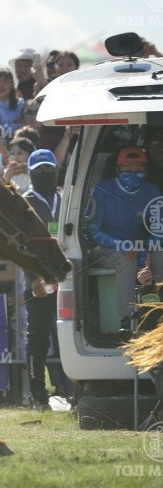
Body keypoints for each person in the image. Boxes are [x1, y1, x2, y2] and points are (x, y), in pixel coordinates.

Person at [85, 147, 163, 329]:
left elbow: (159, 229)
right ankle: (128, 319)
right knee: (126, 259)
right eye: (128, 169)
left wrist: (146, 248)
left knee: (160, 255)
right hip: (106, 248)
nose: (133, 173)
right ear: (118, 169)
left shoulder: (152, 191)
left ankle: (157, 313)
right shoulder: (102, 190)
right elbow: (92, 231)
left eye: (139, 169)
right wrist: (120, 244)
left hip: (139, 246)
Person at [22, 150, 72, 409]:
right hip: (38, 282)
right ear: (30, 174)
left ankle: (73, 391)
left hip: (68, 279)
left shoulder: (67, 199)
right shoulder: (24, 202)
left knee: (70, 334)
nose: (44, 174)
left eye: (48, 169)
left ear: (56, 170)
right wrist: (33, 277)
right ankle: (38, 394)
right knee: (38, 339)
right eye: (39, 170)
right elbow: (20, 246)